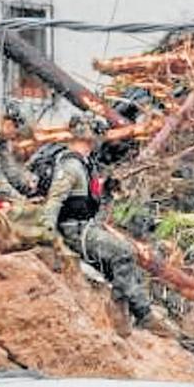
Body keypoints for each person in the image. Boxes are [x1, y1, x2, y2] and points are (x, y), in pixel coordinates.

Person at [23, 115, 174, 337]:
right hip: (74, 230)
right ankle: (126, 310)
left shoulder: (83, 162)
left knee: (128, 256)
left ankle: (140, 311)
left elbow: (83, 195)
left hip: (85, 225)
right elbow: (54, 203)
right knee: (124, 253)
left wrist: (106, 187)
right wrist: (49, 240)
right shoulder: (71, 165)